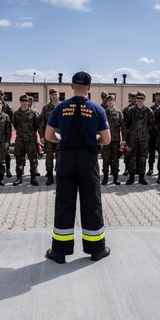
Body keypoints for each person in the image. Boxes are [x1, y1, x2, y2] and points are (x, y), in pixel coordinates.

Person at [45, 71, 111, 264]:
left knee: (64, 203)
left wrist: (61, 138)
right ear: (89, 88)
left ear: (72, 86)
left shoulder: (60, 108)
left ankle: (60, 252)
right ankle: (96, 250)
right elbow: (106, 139)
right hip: (88, 160)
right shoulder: (97, 109)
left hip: (65, 159)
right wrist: (94, 138)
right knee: (91, 202)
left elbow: (48, 135)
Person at [123, 91, 154, 185]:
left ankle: (141, 178)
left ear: (144, 99)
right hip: (132, 139)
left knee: (143, 158)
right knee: (132, 158)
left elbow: (151, 123)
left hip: (144, 139)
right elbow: (126, 123)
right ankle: (131, 178)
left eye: (141, 98)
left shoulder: (148, 111)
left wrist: (144, 131)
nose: (139, 100)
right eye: (138, 98)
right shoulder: (130, 110)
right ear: (135, 99)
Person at [12, 94, 40, 186]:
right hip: (20, 140)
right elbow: (15, 125)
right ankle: (19, 177)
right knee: (19, 159)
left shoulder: (33, 113)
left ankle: (33, 178)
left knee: (33, 159)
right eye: (22, 100)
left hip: (31, 140)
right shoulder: (16, 114)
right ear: (20, 101)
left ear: (28, 102)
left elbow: (37, 125)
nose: (24, 102)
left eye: (26, 101)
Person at [101, 95, 125, 185]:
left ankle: (115, 178)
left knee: (116, 160)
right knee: (105, 159)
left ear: (114, 102)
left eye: (112, 100)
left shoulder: (119, 113)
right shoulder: (102, 113)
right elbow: (99, 127)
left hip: (115, 141)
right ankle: (105, 178)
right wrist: (100, 140)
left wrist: (124, 139)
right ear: (106, 102)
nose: (110, 101)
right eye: (108, 100)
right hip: (105, 140)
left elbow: (123, 127)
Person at [39, 88, 61, 185]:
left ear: (58, 95)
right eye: (52, 94)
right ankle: (50, 175)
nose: (54, 96)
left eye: (56, 94)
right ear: (50, 96)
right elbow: (42, 122)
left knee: (60, 157)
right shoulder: (46, 108)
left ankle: (59, 176)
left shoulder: (63, 106)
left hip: (60, 136)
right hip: (49, 136)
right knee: (49, 156)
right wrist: (42, 136)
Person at [147, 91, 160, 176]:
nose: (158, 97)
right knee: (152, 152)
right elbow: (149, 121)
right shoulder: (151, 108)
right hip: (153, 134)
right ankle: (151, 168)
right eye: (157, 96)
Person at [122, 92, 137, 176]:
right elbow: (123, 123)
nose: (133, 100)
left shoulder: (139, 108)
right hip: (128, 135)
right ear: (129, 99)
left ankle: (136, 169)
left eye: (134, 98)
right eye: (131, 98)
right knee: (127, 153)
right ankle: (127, 169)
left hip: (138, 134)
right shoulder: (126, 109)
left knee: (137, 152)